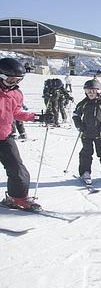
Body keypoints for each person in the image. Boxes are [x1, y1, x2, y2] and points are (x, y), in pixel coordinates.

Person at [0, 58, 53, 210]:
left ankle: (17, 198)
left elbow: (16, 112)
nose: (14, 84)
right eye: (10, 80)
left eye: (18, 80)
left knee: (18, 171)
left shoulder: (16, 94)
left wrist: (37, 117)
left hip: (4, 137)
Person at [72, 79, 101, 186]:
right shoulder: (83, 103)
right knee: (86, 153)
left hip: (100, 133)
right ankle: (85, 172)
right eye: (88, 91)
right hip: (86, 133)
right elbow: (75, 115)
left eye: (93, 91)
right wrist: (79, 126)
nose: (90, 93)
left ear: (98, 91)